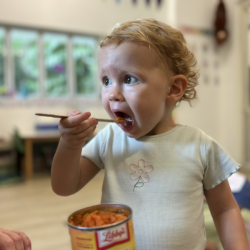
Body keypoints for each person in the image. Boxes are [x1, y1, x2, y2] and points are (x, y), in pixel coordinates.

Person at [51, 19, 249, 250]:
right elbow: (64, 186)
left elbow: (225, 210)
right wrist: (70, 144)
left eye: (128, 79)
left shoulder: (200, 146)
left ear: (173, 89)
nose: (112, 94)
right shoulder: (110, 138)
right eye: (106, 80)